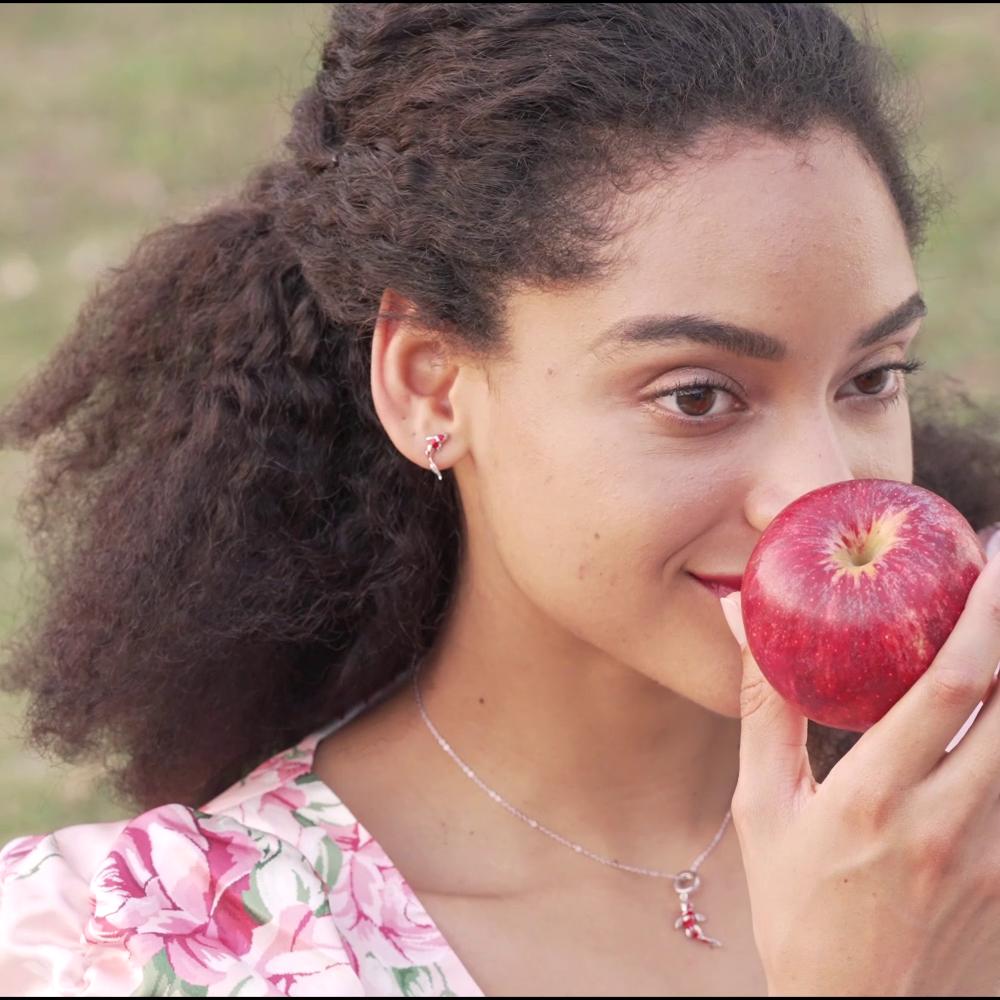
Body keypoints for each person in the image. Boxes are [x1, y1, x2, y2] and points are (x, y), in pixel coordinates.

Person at [1, 3, 999, 996]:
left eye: (869, 377)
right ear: (432, 382)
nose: (824, 494)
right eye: (696, 395)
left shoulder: (970, 834)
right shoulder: (138, 952)